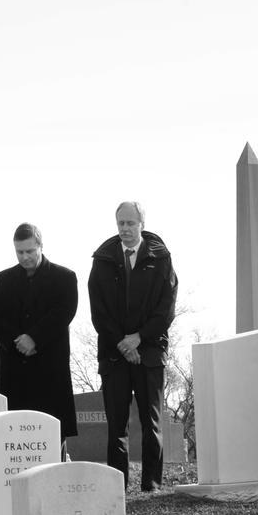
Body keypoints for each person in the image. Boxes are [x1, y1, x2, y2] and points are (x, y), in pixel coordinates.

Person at [87, 201, 177, 491]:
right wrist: (122, 343)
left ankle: (151, 484)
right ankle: (118, 484)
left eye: (130, 223)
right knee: (117, 424)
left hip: (149, 350)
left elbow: (166, 308)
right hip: (114, 353)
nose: (125, 229)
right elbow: (98, 309)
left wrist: (138, 338)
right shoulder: (102, 259)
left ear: (142, 224)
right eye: (121, 224)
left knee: (151, 422)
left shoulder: (160, 258)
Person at [0, 223, 79, 448]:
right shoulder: (4, 279)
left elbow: (63, 312)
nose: (24, 257)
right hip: (16, 368)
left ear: (40, 246)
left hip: (50, 366)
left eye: (29, 251)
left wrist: (35, 338)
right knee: (18, 436)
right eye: (19, 252)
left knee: (52, 434)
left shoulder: (64, 277)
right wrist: (17, 341)